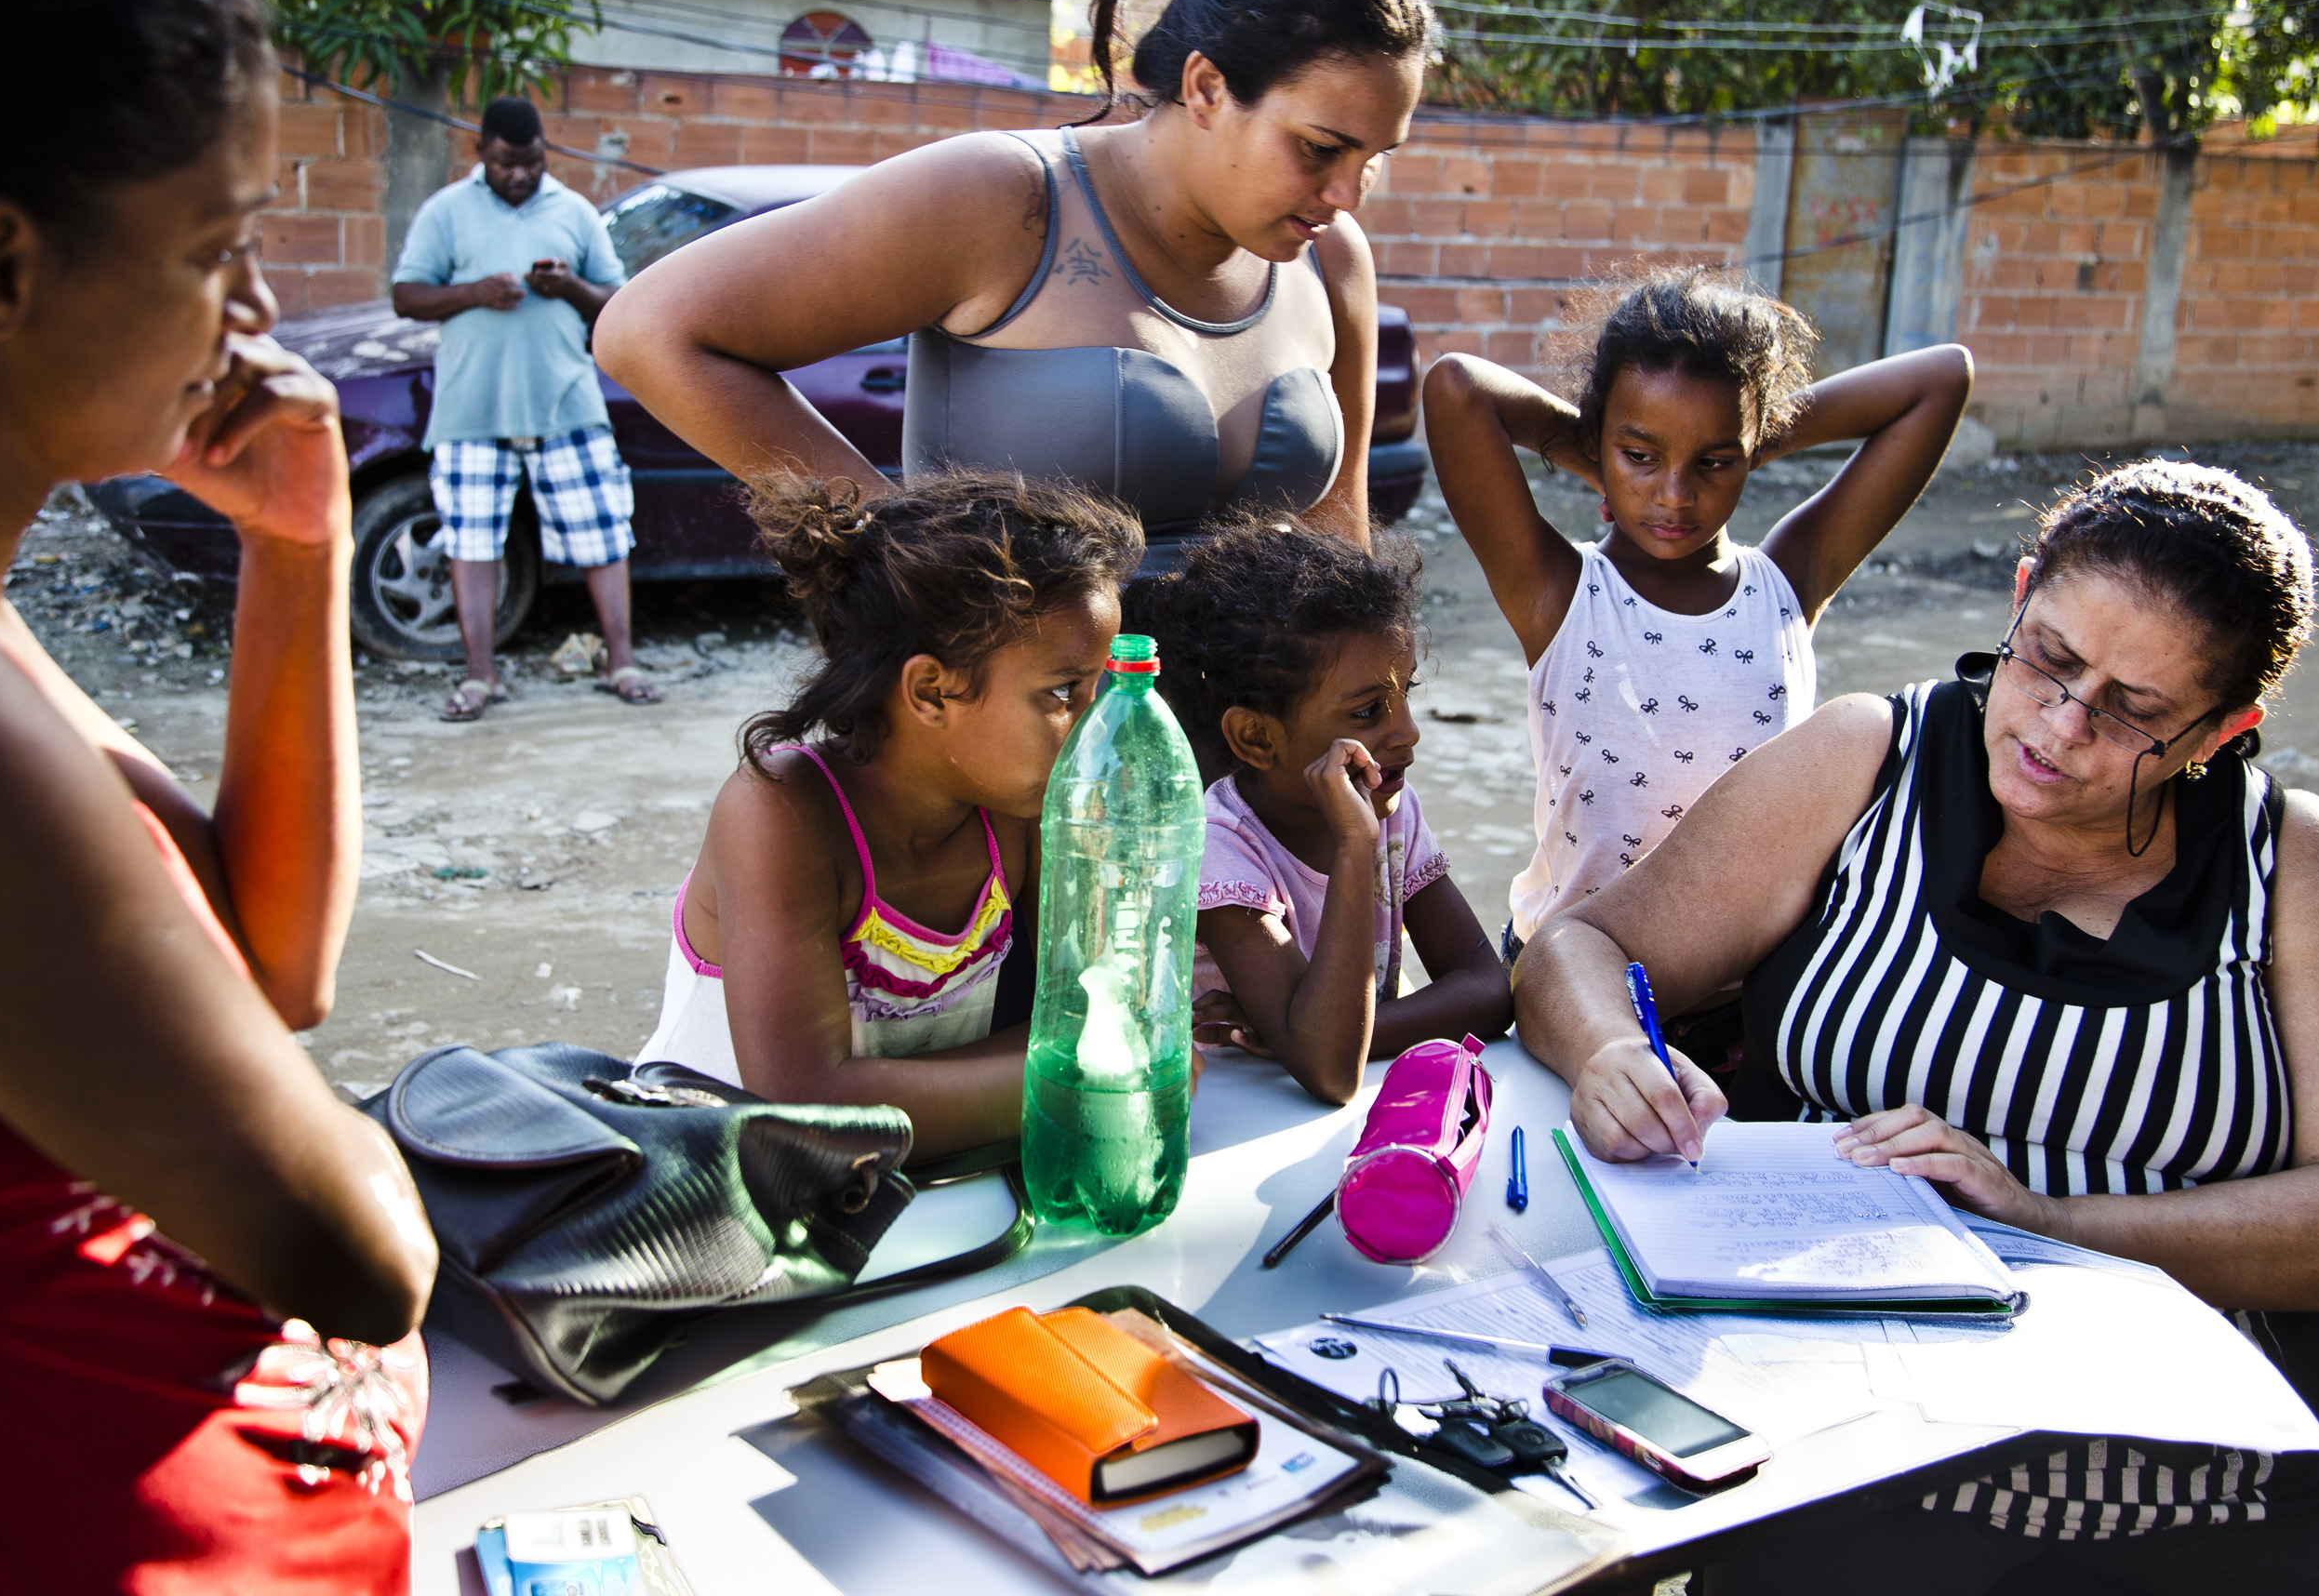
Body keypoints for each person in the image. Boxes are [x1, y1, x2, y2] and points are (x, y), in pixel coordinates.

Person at [1511, 461, 2319, 1593]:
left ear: (2224, 729)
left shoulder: (2294, 864)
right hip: (1872, 1425)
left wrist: (2048, 1222)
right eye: (2050, 657)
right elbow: (1579, 949)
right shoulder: (1864, 764)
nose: (2061, 725)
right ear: (2021, 594)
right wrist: (1611, 1051)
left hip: (2238, 1449)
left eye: (2134, 709)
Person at [0, 0, 436, 1588]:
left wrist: (294, 557)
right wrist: (338, 1137)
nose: (254, 327)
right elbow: (357, 1248)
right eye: (219, 251)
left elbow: (271, 966)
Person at [594, 0, 1438, 575]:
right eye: (1322, 148)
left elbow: (1339, 536)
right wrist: (896, 554)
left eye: (1376, 158)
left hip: (1244, 756)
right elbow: (651, 331)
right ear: (1207, 87)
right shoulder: (1010, 201)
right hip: (1018, 760)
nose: (1348, 193)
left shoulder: (1333, 260)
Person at [1422, 267, 1971, 978]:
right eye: (1642, 456)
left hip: (1746, 994)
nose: (1675, 496)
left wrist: (1750, 431)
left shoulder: (1788, 584)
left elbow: (1942, 380)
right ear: (1600, 436)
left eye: (1713, 462)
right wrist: (1598, 451)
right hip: (1571, 978)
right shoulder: (1561, 593)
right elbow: (1457, 389)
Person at [633, 470, 1141, 1159]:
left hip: (897, 1187)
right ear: (931, 691)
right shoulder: (781, 811)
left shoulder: (1016, 810)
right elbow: (804, 1107)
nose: (1095, 726)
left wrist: (1088, 1054)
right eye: (1063, 693)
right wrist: (1079, 1080)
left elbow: (1089, 1009)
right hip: (704, 1188)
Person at [1134, 516, 1512, 1104]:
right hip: (1233, 1124)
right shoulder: (1222, 848)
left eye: (1404, 695)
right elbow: (1331, 1071)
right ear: (1257, 738)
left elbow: (1489, 988)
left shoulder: (1391, 808)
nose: (1407, 733)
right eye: (1367, 713)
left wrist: (1305, 1034)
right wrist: (1355, 847)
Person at [390, 95, 650, 719]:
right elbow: (406, 295)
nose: (520, 173)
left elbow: (617, 301)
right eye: (507, 162)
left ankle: (623, 662)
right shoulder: (446, 211)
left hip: (567, 404)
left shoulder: (574, 211)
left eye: (531, 162)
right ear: (481, 152)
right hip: (472, 410)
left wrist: (570, 287)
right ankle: (481, 677)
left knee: (604, 536)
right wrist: (475, 291)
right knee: (472, 542)